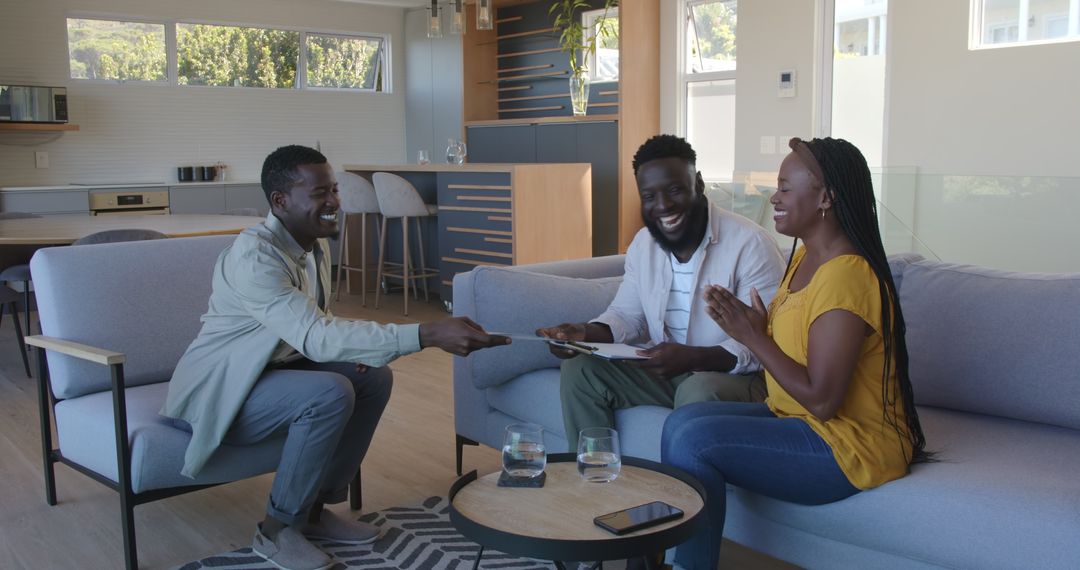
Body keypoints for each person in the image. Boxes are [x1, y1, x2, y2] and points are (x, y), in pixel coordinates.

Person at [162, 145, 509, 570]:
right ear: (280, 201)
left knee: (374, 378)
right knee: (328, 393)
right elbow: (314, 334)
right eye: (320, 193)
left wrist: (358, 351)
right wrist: (427, 332)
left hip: (269, 371)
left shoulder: (311, 245)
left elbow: (314, 325)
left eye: (335, 190)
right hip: (221, 389)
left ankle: (313, 511)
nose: (334, 202)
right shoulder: (255, 258)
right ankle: (275, 530)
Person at [661, 137, 930, 569]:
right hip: (796, 418)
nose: (774, 197)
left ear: (826, 198)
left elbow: (823, 400)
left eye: (785, 188)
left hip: (847, 445)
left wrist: (755, 338)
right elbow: (801, 342)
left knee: (695, 440)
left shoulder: (846, 275)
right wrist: (760, 326)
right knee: (681, 422)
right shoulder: (805, 257)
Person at [536, 134, 785, 445]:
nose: (663, 205)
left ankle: (682, 478)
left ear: (699, 183)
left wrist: (693, 359)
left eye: (675, 190)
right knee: (580, 369)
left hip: (736, 378)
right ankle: (595, 470)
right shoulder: (645, 244)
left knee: (697, 389)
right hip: (671, 371)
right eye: (649, 196)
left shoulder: (750, 245)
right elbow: (627, 315)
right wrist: (585, 333)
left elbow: (767, 344)